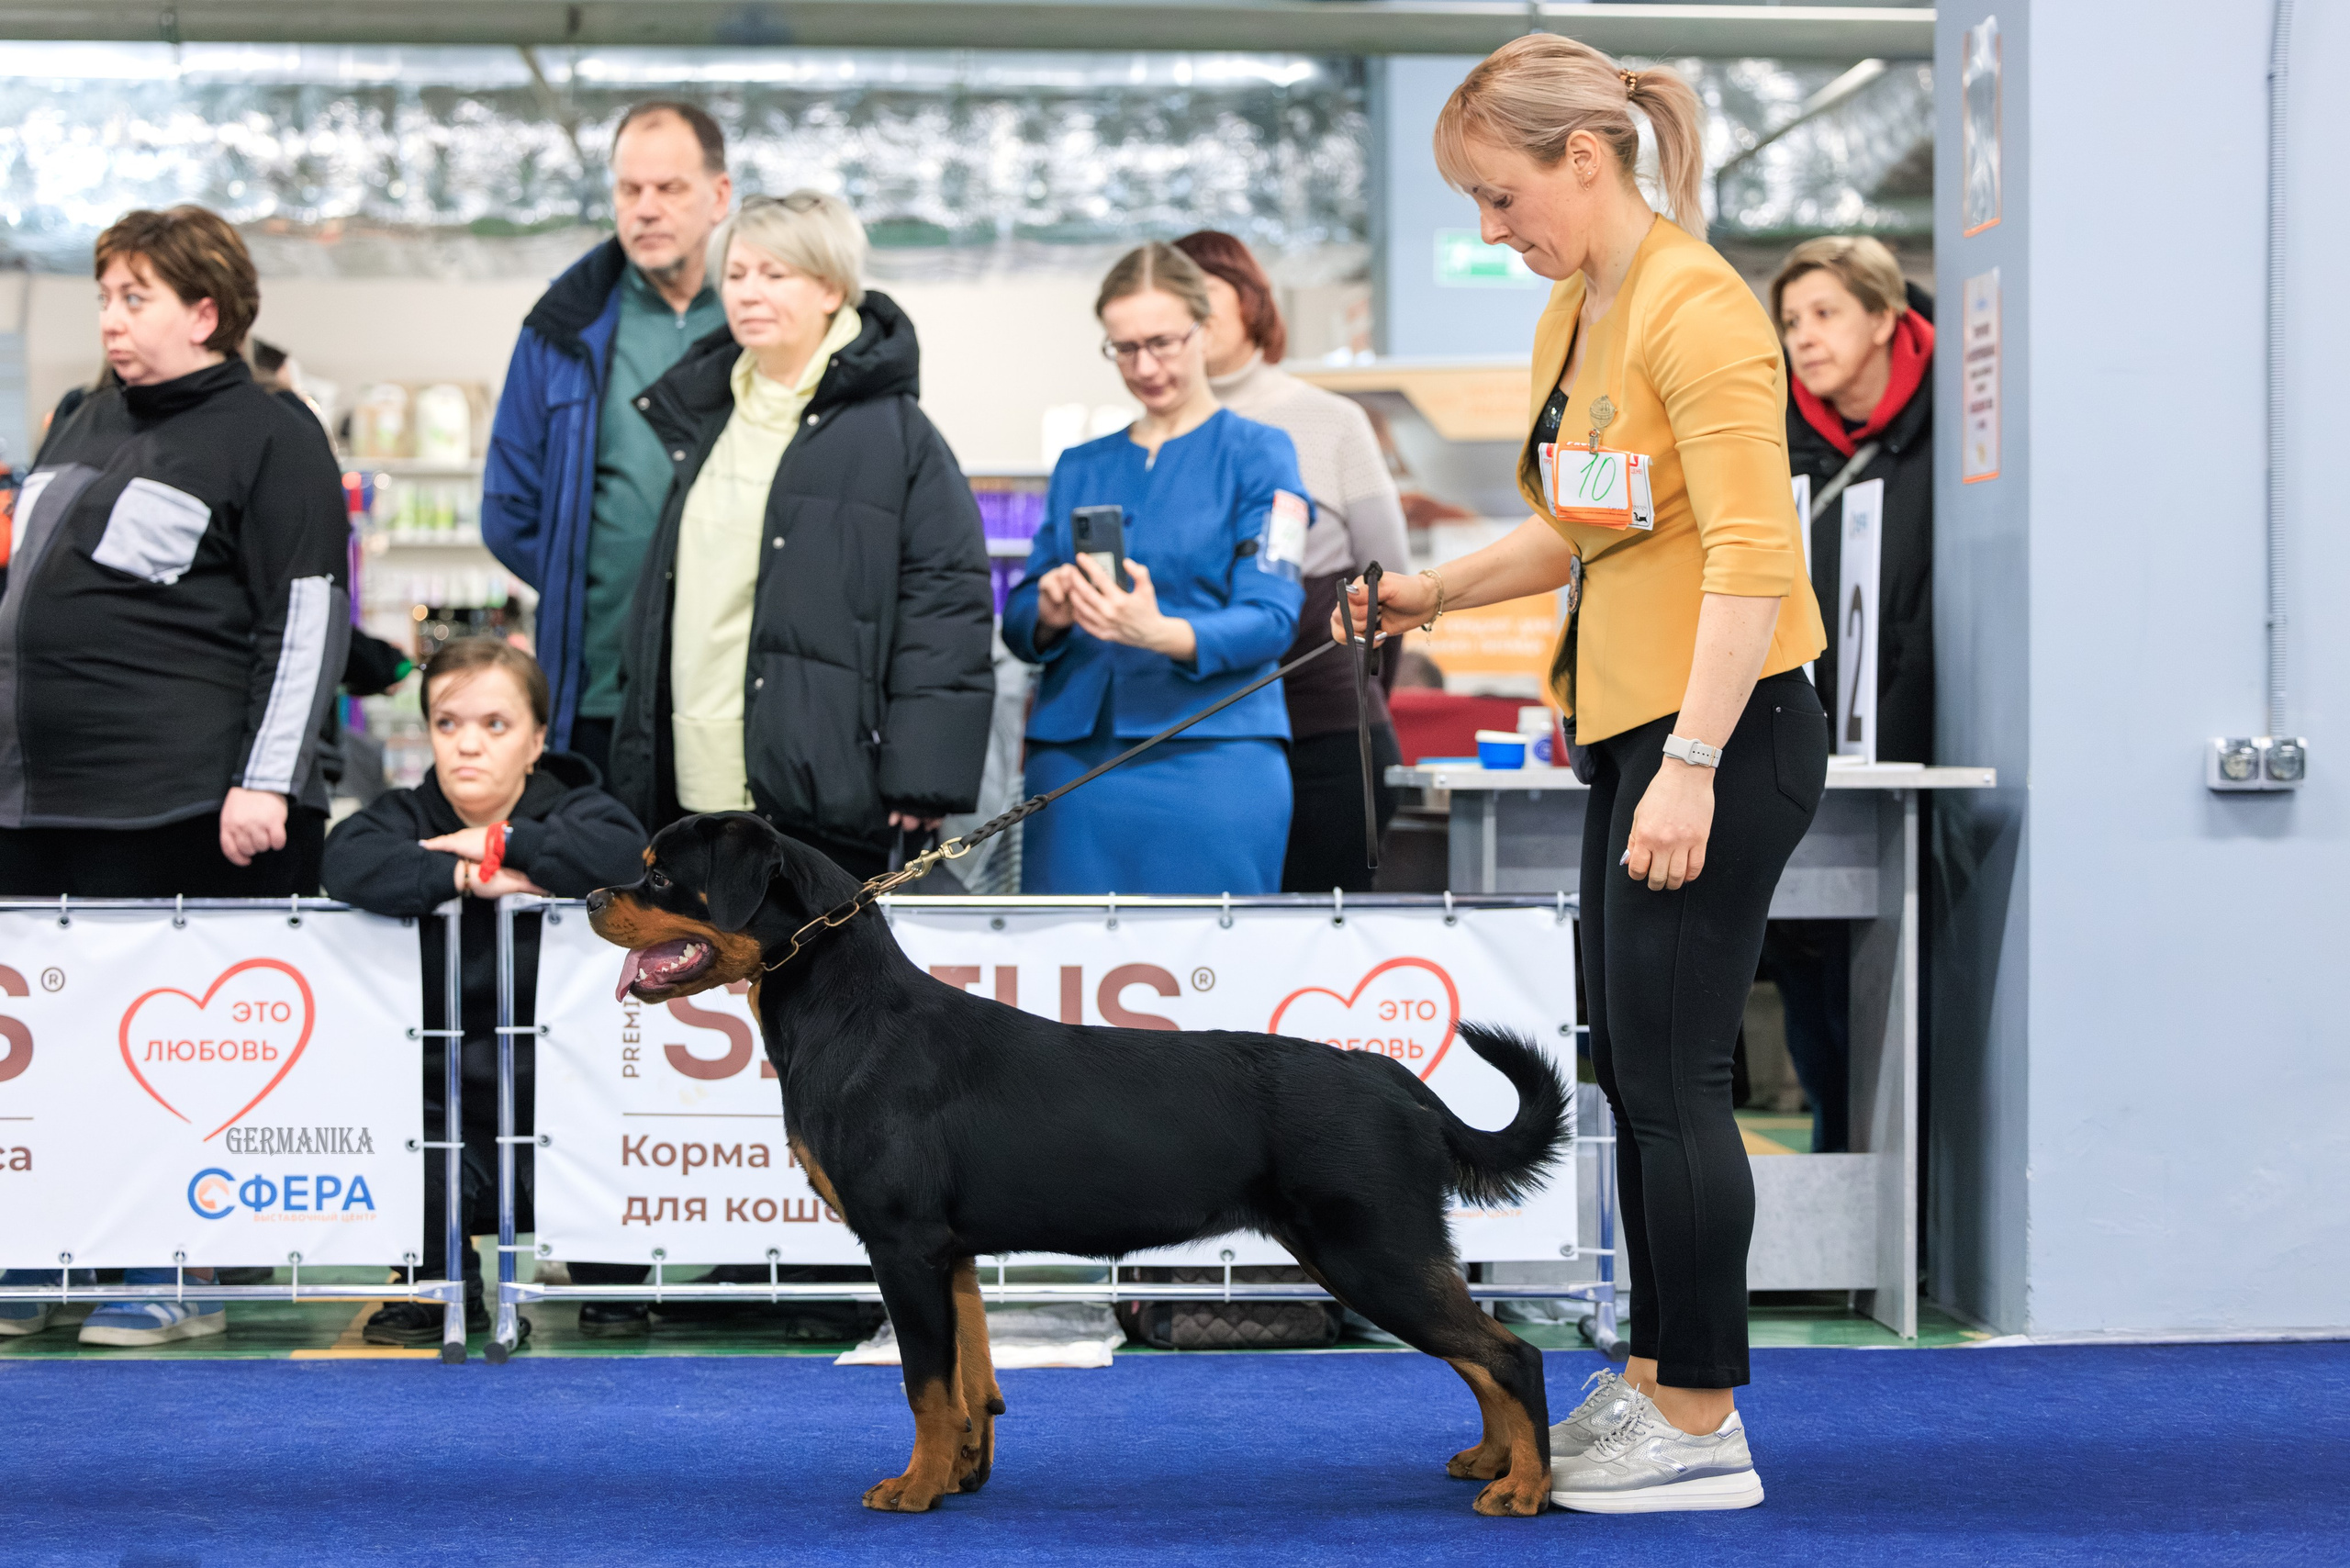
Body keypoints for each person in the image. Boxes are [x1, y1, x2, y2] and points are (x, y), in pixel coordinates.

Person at [1342, 37, 1828, 1510]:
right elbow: (1582, 524)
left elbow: (1755, 556)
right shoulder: (1577, 309)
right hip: (1630, 729)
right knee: (1635, 1072)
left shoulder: (1698, 310)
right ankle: (1660, 1376)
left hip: (1720, 731)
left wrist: (1689, 762)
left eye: (1501, 200)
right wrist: (1438, 594)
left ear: (1584, 159)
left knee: (1679, 1081)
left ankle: (1699, 1424)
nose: (1494, 234)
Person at [0, 205, 351, 1347]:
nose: (111, 315)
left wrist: (268, 780)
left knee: (165, 1050)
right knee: (55, 1045)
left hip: (182, 802)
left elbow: (306, 622)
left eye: (135, 295)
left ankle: (176, 1262)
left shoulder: (273, 432)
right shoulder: (78, 417)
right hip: (37, 798)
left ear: (208, 312)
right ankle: (51, 1250)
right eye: (105, 294)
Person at [606, 190, 993, 881]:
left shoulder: (896, 434)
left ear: (832, 288)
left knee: (821, 985)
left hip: (824, 785)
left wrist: (924, 775)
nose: (749, 293)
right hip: (694, 775)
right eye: (736, 274)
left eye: (775, 274)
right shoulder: (707, 415)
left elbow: (946, 600)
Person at [321, 638, 645, 1347]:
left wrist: (499, 842)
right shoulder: (403, 813)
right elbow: (345, 860)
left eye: (494, 726)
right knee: (409, 1124)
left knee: (621, 1299)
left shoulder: (585, 805)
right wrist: (463, 877)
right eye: (448, 723)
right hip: (444, 1096)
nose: (468, 744)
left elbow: (625, 859)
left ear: (536, 740)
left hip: (568, 1090)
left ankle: (608, 1272)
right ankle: (440, 1282)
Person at [1003, 243, 1307, 895]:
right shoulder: (1079, 466)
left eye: (1162, 343)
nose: (1145, 366)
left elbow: (1274, 618)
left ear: (1204, 331)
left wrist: (1159, 631)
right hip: (1076, 765)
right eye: (1124, 348)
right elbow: (1021, 616)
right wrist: (1050, 610)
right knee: (1067, 973)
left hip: (1214, 757)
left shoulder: (1261, 454)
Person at [482, 100, 733, 778]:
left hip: (733, 695)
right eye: (630, 190)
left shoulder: (758, 315)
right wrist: (584, 577)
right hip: (596, 687)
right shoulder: (559, 330)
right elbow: (509, 510)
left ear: (719, 195)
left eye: (669, 188)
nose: (646, 209)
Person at [1762, 235, 1937, 1155]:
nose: (1804, 338)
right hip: (1796, 739)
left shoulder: (1950, 433)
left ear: (1883, 317)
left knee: (1883, 994)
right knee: (1804, 981)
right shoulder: (1777, 443)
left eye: (1825, 313)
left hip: (1903, 759)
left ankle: (1886, 1209)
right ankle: (1834, 1173)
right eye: (1791, 321)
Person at [1173, 230, 1412, 892]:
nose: (1186, 314)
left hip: (1326, 733)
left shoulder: (1331, 421)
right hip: (1199, 739)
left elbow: (1388, 582)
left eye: (1203, 293)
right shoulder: (1152, 435)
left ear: (1251, 301)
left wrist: (1356, 693)